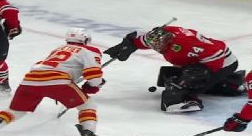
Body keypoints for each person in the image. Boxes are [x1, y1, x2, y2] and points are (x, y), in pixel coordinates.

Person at [0, 28, 109, 136]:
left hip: (30, 80)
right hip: (57, 81)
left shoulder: (58, 49)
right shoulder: (90, 50)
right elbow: (93, 75)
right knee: (87, 105)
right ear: (86, 39)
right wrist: (95, 85)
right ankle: (89, 135)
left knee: (16, 110)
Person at [104, 25, 242, 113]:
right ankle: (233, 83)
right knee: (168, 76)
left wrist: (203, 74)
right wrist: (128, 45)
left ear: (169, 40)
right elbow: (143, 39)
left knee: (191, 78)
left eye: (160, 45)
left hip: (223, 63)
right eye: (155, 45)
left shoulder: (185, 45)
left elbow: (217, 54)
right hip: (203, 59)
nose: (157, 48)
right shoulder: (163, 35)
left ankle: (189, 99)